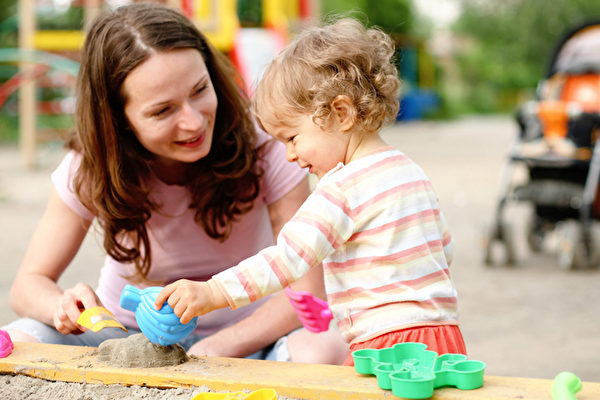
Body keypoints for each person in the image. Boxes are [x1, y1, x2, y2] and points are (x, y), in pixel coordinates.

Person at [4, 3, 349, 364]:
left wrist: (216, 348)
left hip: (249, 335)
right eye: (162, 111)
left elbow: (308, 294)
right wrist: (60, 305)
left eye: (200, 90)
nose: (194, 122)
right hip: (123, 336)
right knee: (20, 337)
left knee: (324, 346)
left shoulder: (269, 145)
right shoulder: (89, 167)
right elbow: (29, 284)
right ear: (118, 120)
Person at [155, 17, 467, 366]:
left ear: (342, 112)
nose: (289, 154)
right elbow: (443, 248)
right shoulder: (410, 172)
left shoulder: (341, 188)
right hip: (444, 337)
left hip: (385, 345)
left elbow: (286, 260)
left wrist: (212, 291)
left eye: (292, 137)